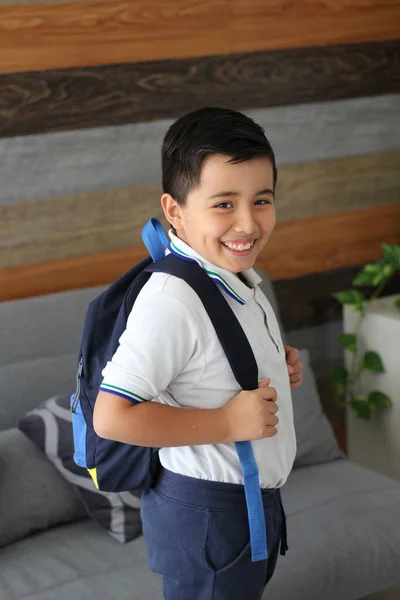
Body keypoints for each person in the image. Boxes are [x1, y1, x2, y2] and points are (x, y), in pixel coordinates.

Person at [93, 107, 303, 600]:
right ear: (175, 211)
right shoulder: (174, 298)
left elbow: (206, 362)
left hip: (247, 506)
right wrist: (228, 424)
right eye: (224, 204)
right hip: (211, 514)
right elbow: (112, 416)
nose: (248, 223)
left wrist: (273, 364)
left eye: (262, 200)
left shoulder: (233, 275)